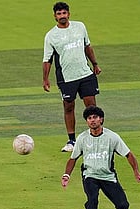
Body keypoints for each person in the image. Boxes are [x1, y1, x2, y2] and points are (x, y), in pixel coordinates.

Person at [61, 106, 140, 209]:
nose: (92, 120)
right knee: (92, 202)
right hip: (90, 175)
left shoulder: (112, 137)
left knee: (123, 205)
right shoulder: (82, 138)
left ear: (101, 119)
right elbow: (73, 158)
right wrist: (66, 175)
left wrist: (136, 171)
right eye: (89, 118)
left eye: (95, 117)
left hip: (108, 176)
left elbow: (129, 154)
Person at [43, 1, 102, 152]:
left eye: (64, 13)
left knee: (92, 107)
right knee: (68, 107)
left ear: (69, 14)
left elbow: (87, 46)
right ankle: (71, 141)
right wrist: (45, 79)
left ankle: (96, 136)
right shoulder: (51, 36)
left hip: (85, 73)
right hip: (66, 78)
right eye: (59, 14)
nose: (62, 16)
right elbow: (47, 60)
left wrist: (95, 64)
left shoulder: (80, 26)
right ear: (55, 16)